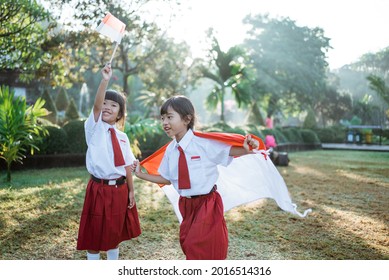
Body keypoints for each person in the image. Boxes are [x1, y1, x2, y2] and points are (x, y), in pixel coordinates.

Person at [131, 95, 259, 260]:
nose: (164, 122)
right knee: (187, 244)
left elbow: (229, 151)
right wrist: (142, 175)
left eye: (170, 117)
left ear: (186, 119)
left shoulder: (203, 143)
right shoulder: (170, 150)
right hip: (186, 204)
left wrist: (247, 149)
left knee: (198, 246)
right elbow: (168, 178)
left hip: (207, 202)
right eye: (162, 118)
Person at [76, 63, 141, 260]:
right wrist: (105, 80)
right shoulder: (94, 128)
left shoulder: (123, 137)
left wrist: (131, 191)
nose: (106, 107)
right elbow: (96, 106)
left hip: (119, 190)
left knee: (114, 235)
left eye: (113, 105)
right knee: (94, 236)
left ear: (120, 113)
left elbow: (127, 166)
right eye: (105, 102)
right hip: (99, 188)